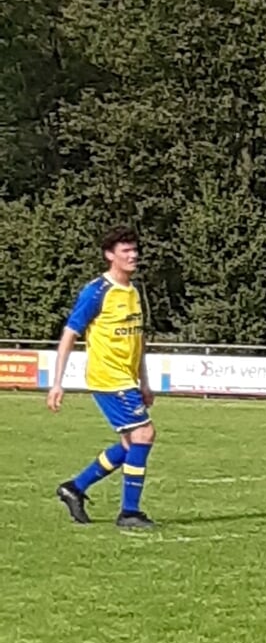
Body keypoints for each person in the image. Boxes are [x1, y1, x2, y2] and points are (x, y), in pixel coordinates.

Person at [50, 226, 159, 529]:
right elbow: (70, 333)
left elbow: (137, 341)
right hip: (107, 378)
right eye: (125, 250)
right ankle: (129, 512)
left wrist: (144, 381)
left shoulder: (133, 292)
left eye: (134, 249)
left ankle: (74, 488)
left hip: (127, 379)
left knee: (129, 444)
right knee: (144, 435)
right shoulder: (97, 291)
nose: (133, 255)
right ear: (110, 255)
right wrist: (57, 382)